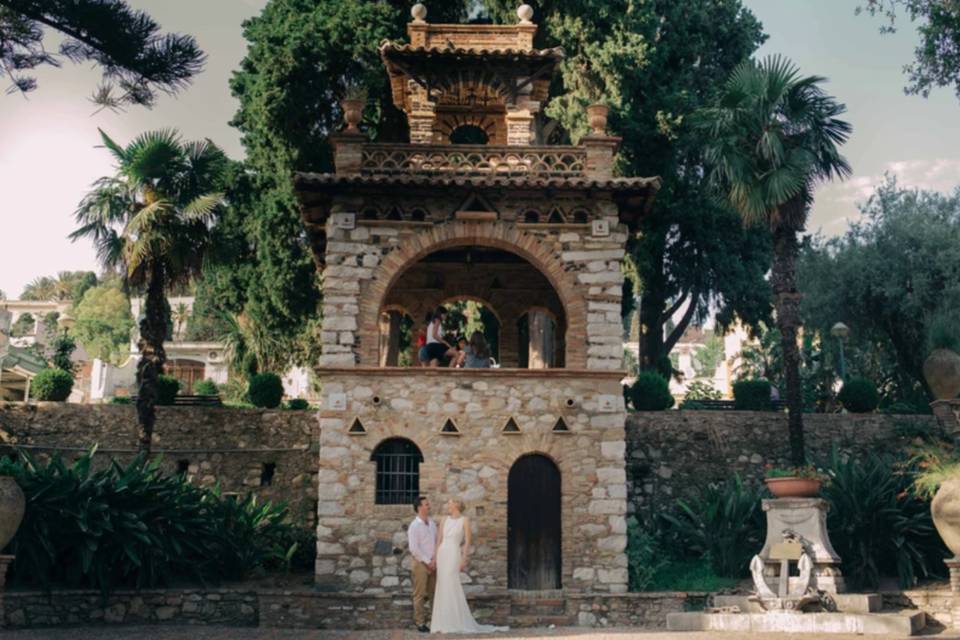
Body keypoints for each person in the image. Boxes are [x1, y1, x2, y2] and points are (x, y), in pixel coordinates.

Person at [430, 498, 508, 634]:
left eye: (450, 503)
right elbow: (439, 540)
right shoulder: (444, 519)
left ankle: (454, 621)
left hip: (454, 553)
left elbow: (467, 542)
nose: (448, 505)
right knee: (442, 584)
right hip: (443, 553)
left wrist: (464, 559)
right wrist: (435, 557)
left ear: (457, 505)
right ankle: (441, 622)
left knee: (451, 583)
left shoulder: (464, 520)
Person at [408, 496, 438, 633]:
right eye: (426, 504)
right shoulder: (414, 526)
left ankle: (435, 620)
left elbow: (437, 542)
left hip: (433, 563)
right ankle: (420, 623)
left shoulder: (432, 523)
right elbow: (414, 549)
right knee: (419, 594)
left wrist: (434, 560)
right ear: (419, 507)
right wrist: (427, 562)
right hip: (420, 564)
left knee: (434, 593)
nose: (429, 506)